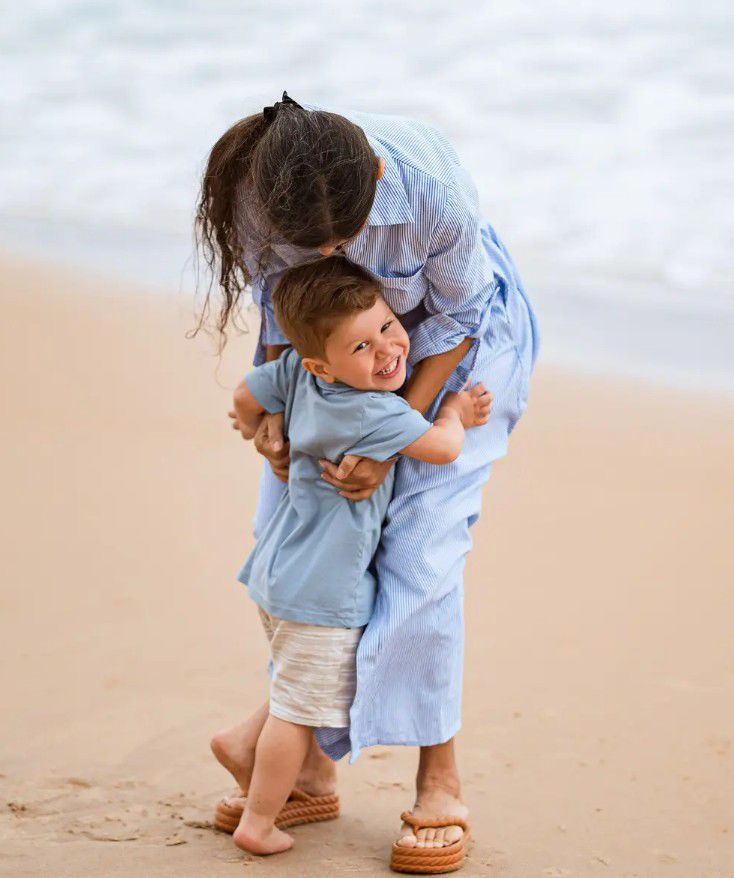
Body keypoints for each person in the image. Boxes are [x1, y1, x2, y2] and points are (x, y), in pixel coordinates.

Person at [198, 92, 539, 872]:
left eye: (339, 241)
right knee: (300, 544)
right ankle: (307, 761)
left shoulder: (427, 187)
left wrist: (391, 436)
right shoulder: (258, 199)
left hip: (451, 359)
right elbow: (282, 314)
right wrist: (276, 419)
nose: (323, 255)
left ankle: (438, 779)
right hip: (325, 360)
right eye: (302, 244)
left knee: (417, 555)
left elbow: (459, 319)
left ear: (379, 177)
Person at [224, 257, 490, 858]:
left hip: (276, 572)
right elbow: (444, 449)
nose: (390, 350)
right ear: (324, 362)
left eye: (391, 325)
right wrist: (454, 411)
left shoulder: (294, 370)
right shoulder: (375, 410)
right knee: (298, 711)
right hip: (324, 596)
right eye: (363, 346)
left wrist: (262, 432)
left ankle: (245, 746)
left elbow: (243, 396)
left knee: (299, 685)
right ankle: (259, 820)